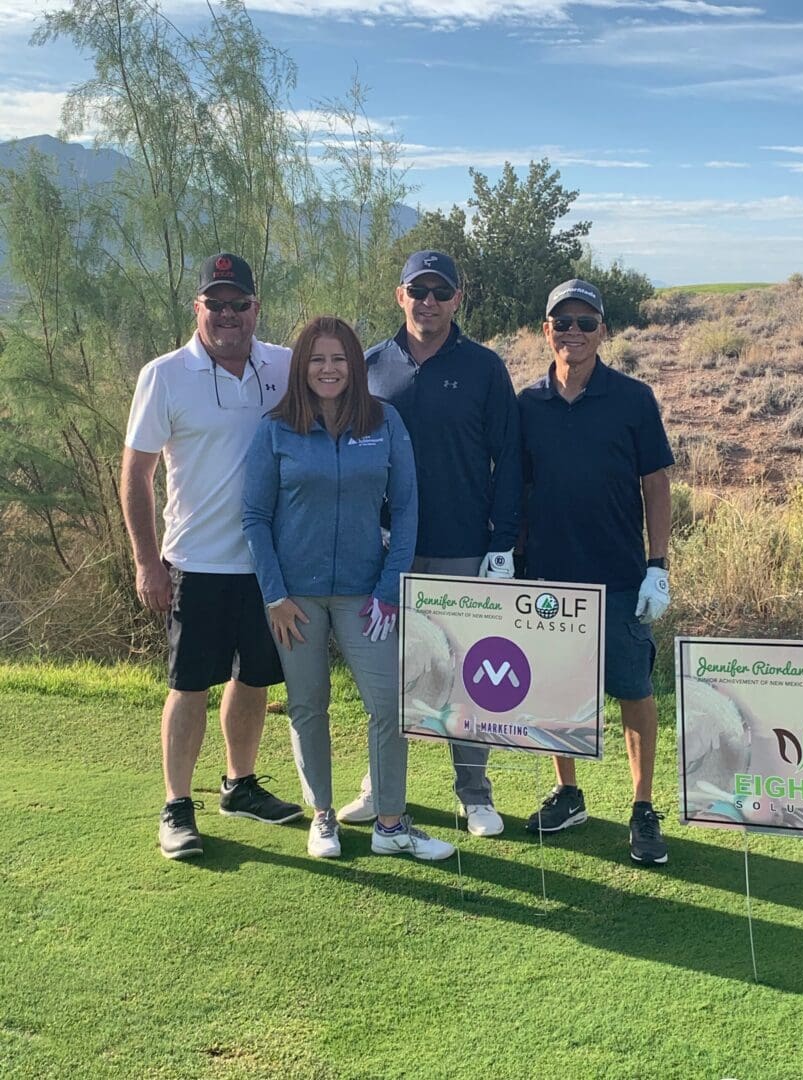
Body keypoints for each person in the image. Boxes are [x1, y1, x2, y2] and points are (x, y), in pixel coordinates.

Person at [242, 315, 456, 862]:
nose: (329, 369)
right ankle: (323, 816)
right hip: (296, 600)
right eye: (317, 359)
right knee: (308, 706)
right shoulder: (276, 428)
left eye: (339, 359)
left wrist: (389, 588)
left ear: (354, 366)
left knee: (388, 707)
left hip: (368, 595)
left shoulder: (384, 422)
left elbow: (407, 509)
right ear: (301, 368)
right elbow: (254, 517)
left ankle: (389, 823)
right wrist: (274, 595)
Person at [121, 252, 303, 860]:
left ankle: (239, 783)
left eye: (239, 304)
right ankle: (176, 805)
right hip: (195, 562)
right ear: (197, 308)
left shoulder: (284, 364)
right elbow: (136, 475)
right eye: (215, 303)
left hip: (268, 565)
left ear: (256, 309)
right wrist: (147, 562)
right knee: (189, 684)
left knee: (253, 678)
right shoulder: (165, 374)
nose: (227, 315)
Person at [336, 251, 523, 837]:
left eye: (441, 291)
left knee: (462, 672)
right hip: (383, 549)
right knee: (386, 673)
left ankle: (474, 793)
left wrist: (504, 543)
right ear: (401, 296)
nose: (429, 301)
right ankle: (380, 785)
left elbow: (510, 458)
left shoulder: (484, 368)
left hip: (461, 543)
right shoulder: (369, 367)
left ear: (457, 300)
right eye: (419, 291)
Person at [519, 278, 673, 865]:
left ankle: (641, 805)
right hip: (549, 578)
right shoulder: (526, 403)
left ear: (603, 331)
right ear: (546, 331)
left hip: (620, 575)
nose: (574, 333)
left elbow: (655, 483)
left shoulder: (633, 399)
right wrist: (509, 553)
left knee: (634, 690)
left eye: (586, 323)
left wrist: (657, 566)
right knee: (556, 692)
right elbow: (519, 484)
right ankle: (569, 792)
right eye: (563, 323)